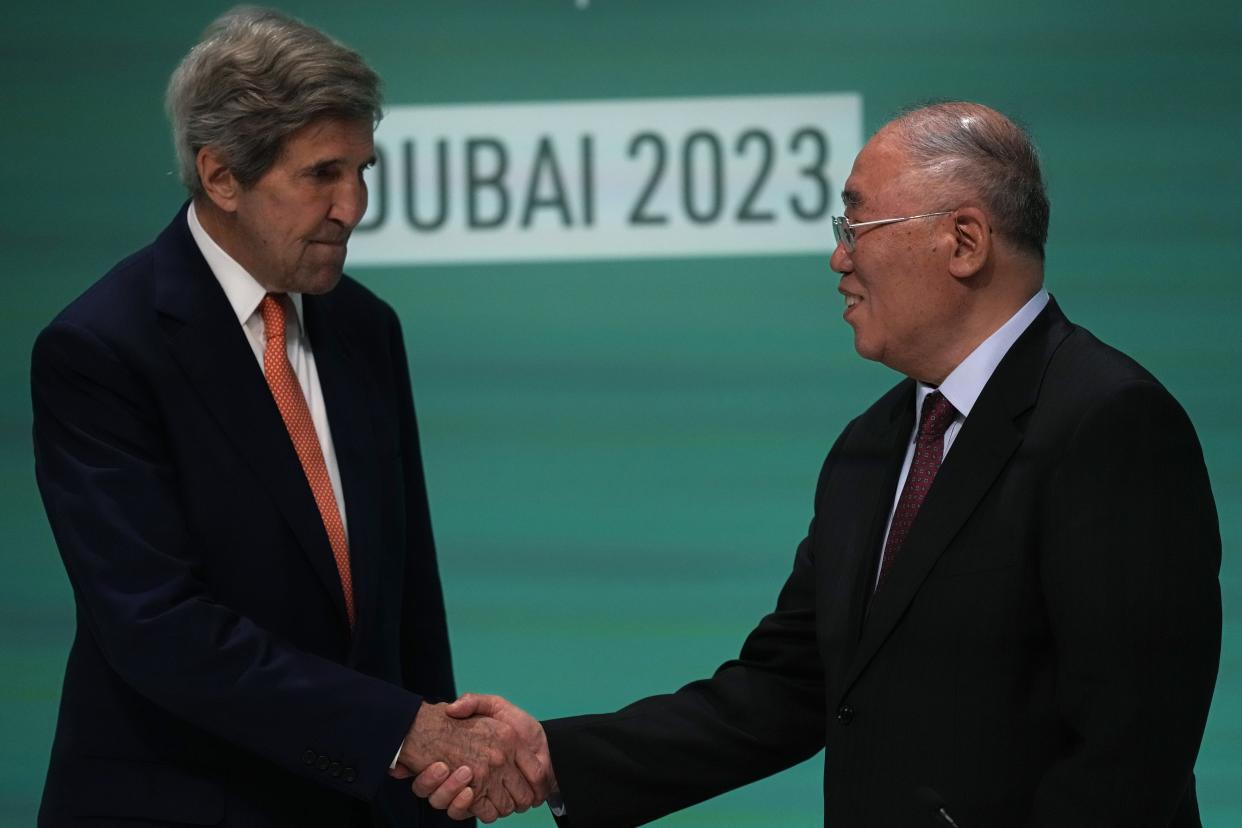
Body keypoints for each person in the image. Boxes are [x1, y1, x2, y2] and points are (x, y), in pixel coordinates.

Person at [411, 102, 1222, 826]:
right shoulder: (871, 446)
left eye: (855, 228)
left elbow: (1132, 748)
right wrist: (552, 756)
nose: (838, 259)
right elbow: (786, 689)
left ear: (964, 241)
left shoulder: (1108, 422)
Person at [32, 7, 547, 826]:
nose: (354, 205)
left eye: (363, 170)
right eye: (322, 175)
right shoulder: (101, 349)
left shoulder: (365, 328)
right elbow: (158, 629)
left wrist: (436, 777)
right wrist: (401, 733)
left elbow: (408, 607)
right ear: (222, 175)